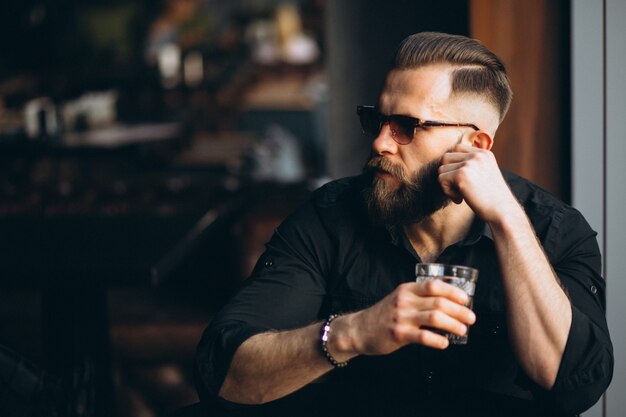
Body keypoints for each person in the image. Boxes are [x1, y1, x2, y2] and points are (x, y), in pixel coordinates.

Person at [195, 32, 613, 416]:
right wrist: (352, 332)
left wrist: (507, 222)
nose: (380, 142)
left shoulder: (555, 230)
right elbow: (223, 372)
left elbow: (574, 387)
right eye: (378, 120)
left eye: (407, 127)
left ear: (474, 145)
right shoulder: (330, 216)